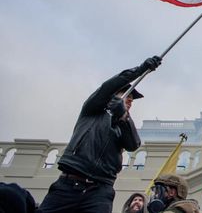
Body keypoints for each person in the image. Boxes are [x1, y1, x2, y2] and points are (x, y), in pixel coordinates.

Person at [38, 56, 162, 213]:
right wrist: (140, 69)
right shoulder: (92, 111)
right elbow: (108, 86)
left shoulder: (122, 125)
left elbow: (133, 144)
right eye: (126, 96)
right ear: (113, 96)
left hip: (100, 191)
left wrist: (123, 117)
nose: (130, 101)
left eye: (132, 100)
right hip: (68, 184)